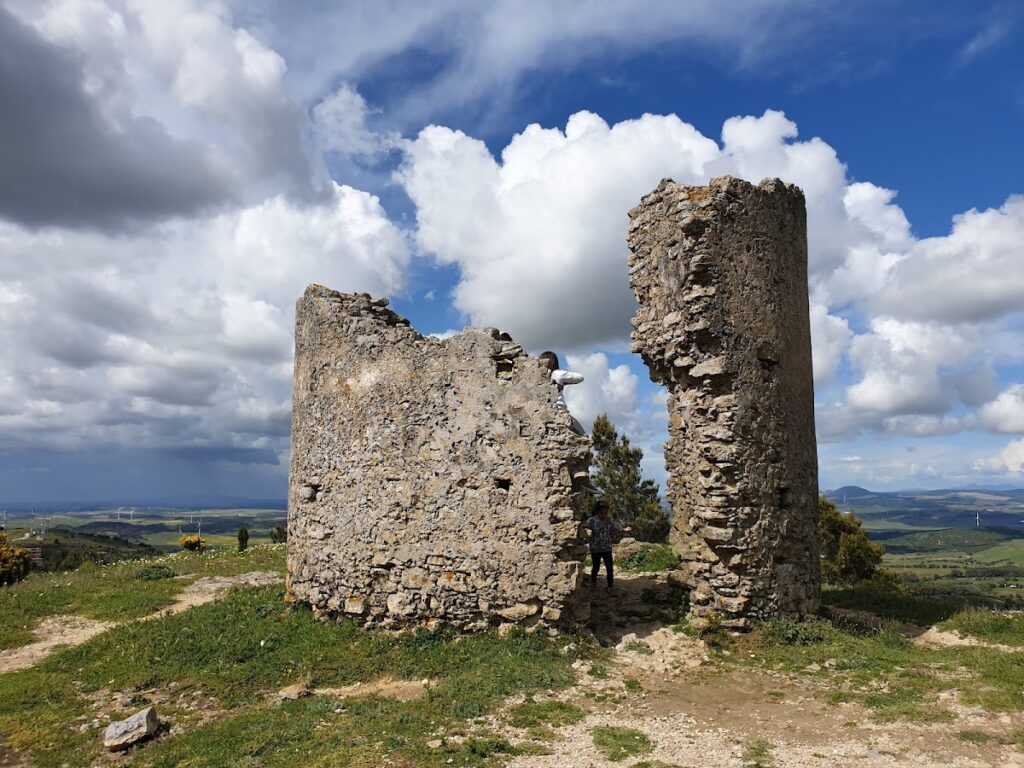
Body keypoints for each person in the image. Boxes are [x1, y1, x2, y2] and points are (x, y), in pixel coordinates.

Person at [583, 499, 631, 590]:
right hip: (595, 547)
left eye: (606, 509)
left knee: (609, 567)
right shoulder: (592, 520)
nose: (605, 511)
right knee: (596, 567)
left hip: (606, 547)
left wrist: (624, 530)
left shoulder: (607, 520)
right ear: (598, 510)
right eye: (604, 509)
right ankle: (593, 583)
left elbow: (615, 528)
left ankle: (610, 586)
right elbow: (586, 525)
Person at [538, 351, 585, 434]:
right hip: (560, 412)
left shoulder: (537, 376)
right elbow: (580, 377)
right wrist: (565, 382)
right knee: (583, 435)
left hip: (542, 412)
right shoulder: (558, 374)